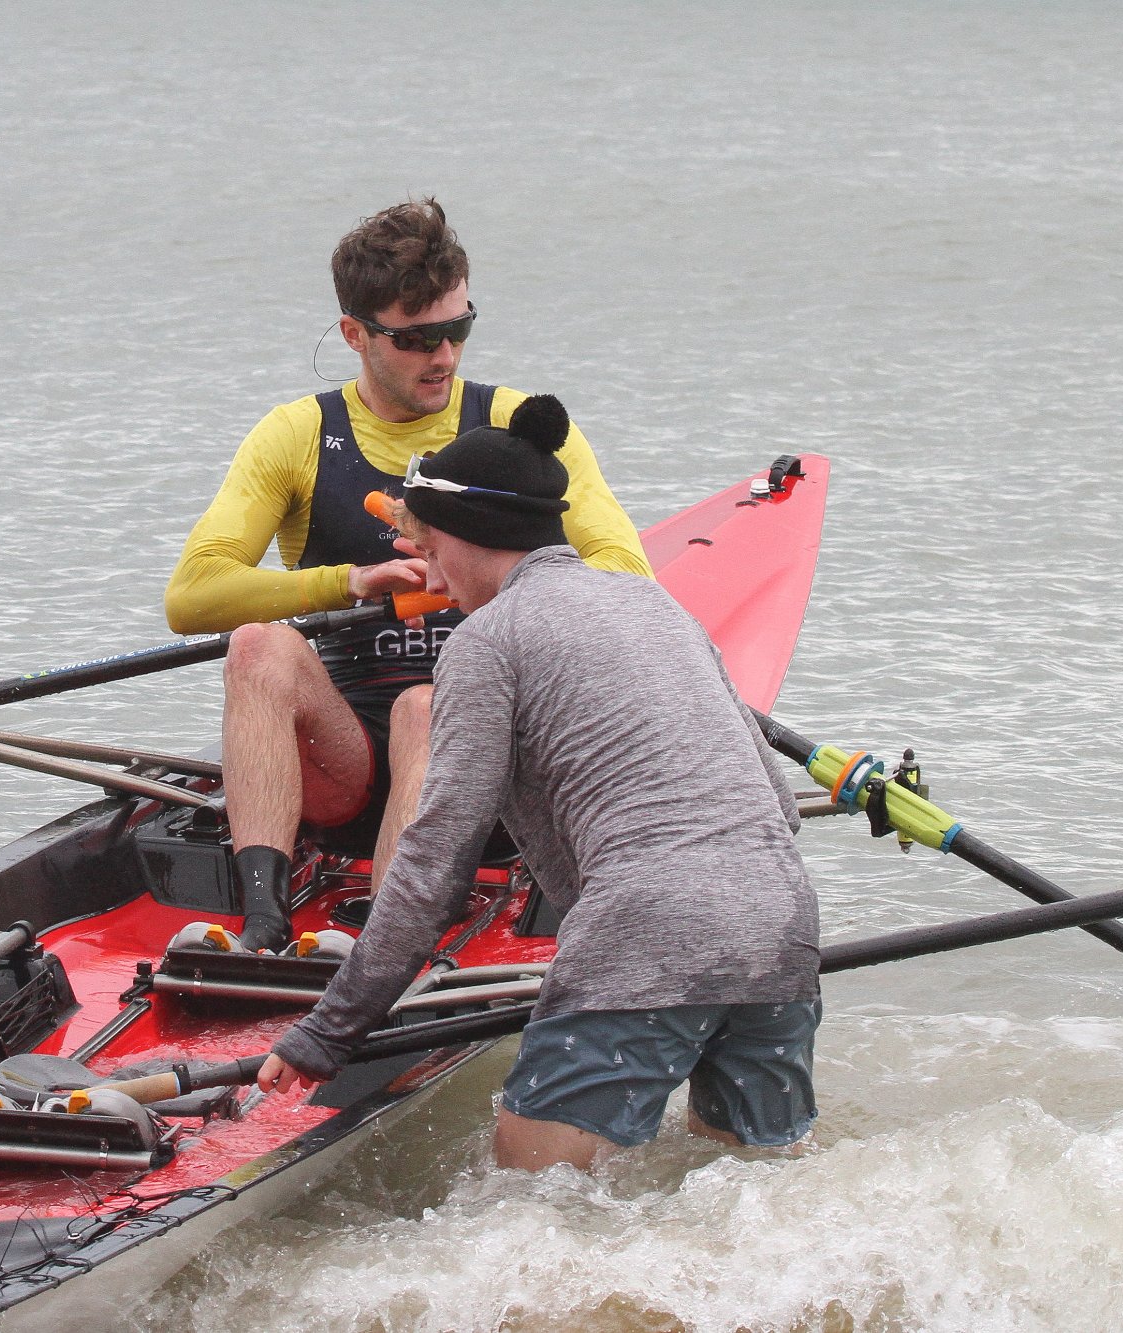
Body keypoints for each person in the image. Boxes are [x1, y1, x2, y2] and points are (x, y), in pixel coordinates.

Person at [258, 396, 821, 1170]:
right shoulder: (654, 603)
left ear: (465, 534)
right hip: (780, 922)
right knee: (749, 1190)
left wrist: (330, 1030)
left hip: (648, 925)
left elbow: (438, 859)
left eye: (425, 541)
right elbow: (780, 806)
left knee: (529, 1195)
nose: (428, 568)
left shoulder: (487, 641)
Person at [163, 197, 652, 953]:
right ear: (355, 334)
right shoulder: (297, 435)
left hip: (488, 768)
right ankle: (261, 917)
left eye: (458, 328)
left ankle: (387, 945)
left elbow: (624, 573)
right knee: (258, 647)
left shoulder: (514, 427)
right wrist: (349, 582)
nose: (446, 356)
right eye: (418, 337)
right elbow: (192, 594)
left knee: (428, 703)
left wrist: (478, 574)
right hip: (347, 762)